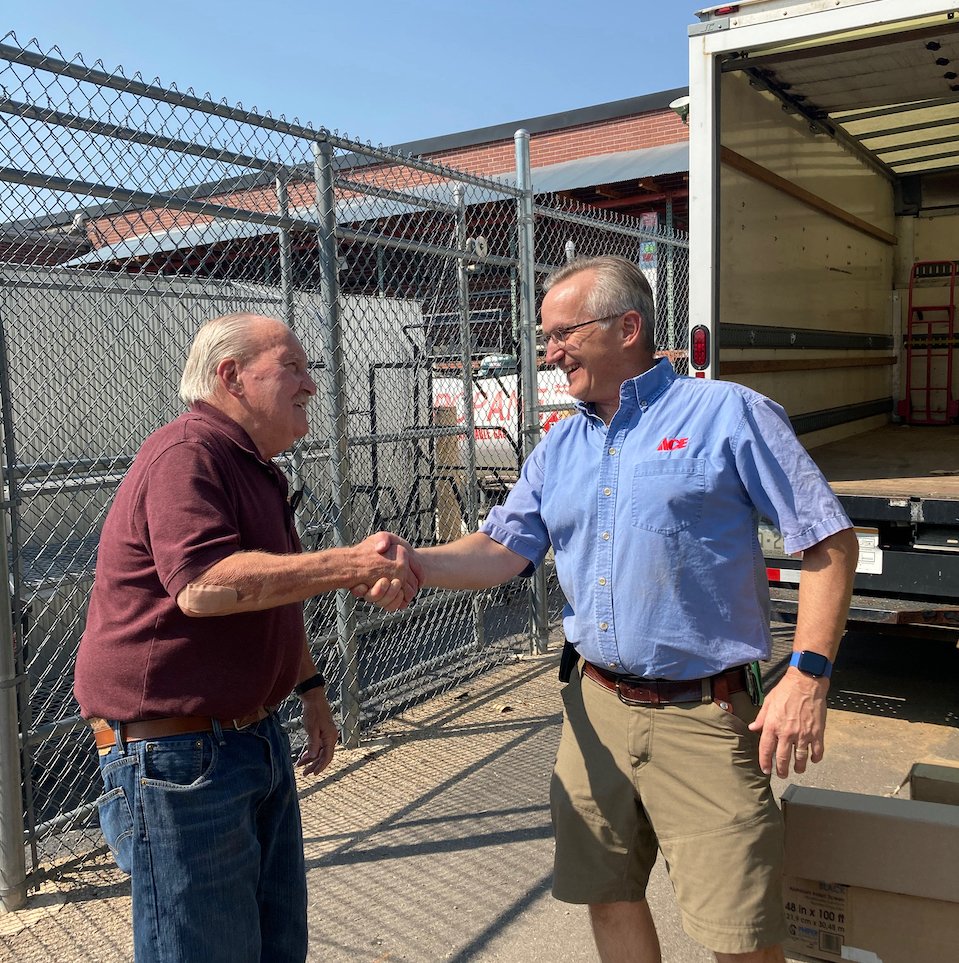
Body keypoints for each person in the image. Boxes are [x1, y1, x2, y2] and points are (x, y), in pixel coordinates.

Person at [362, 257, 858, 963]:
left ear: (629, 327)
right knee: (608, 891)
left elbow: (828, 541)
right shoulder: (559, 445)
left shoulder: (727, 415)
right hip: (593, 707)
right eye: (544, 336)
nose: (549, 352)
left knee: (738, 930)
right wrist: (415, 561)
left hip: (702, 716)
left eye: (563, 332)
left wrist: (806, 675)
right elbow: (502, 550)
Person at [74, 312, 419, 963]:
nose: (310, 385)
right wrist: (348, 564)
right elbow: (203, 583)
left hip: (247, 739)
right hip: (178, 758)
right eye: (291, 366)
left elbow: (270, 591)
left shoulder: (253, 466)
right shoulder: (188, 454)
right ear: (230, 376)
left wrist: (310, 690)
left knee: (273, 945)